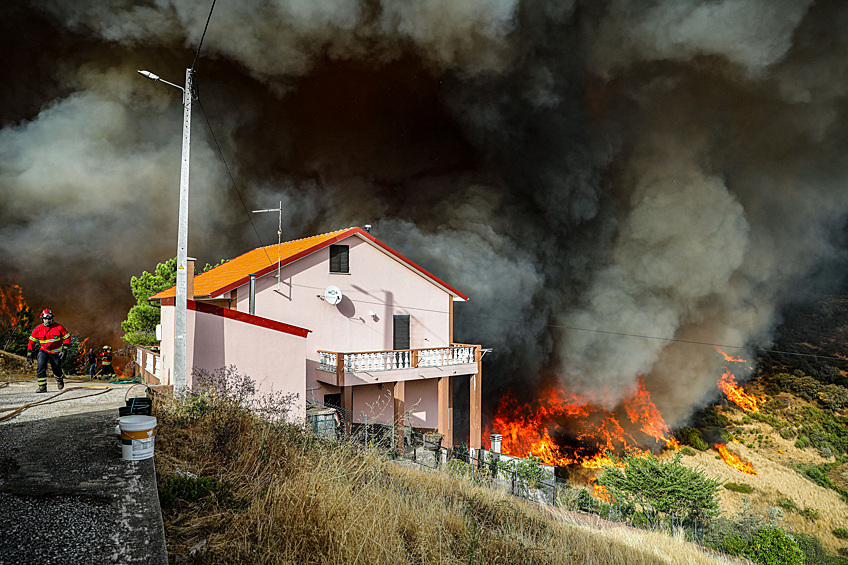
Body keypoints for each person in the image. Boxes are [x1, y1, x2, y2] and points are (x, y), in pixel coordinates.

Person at [27, 309, 71, 393]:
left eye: (49, 318)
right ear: (42, 319)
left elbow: (67, 338)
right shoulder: (38, 329)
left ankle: (59, 379)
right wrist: (29, 354)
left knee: (56, 369)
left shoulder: (59, 327)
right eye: (45, 319)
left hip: (56, 352)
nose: (47, 320)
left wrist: (64, 349)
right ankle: (42, 387)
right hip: (44, 350)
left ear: (52, 318)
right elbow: (31, 342)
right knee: (40, 367)